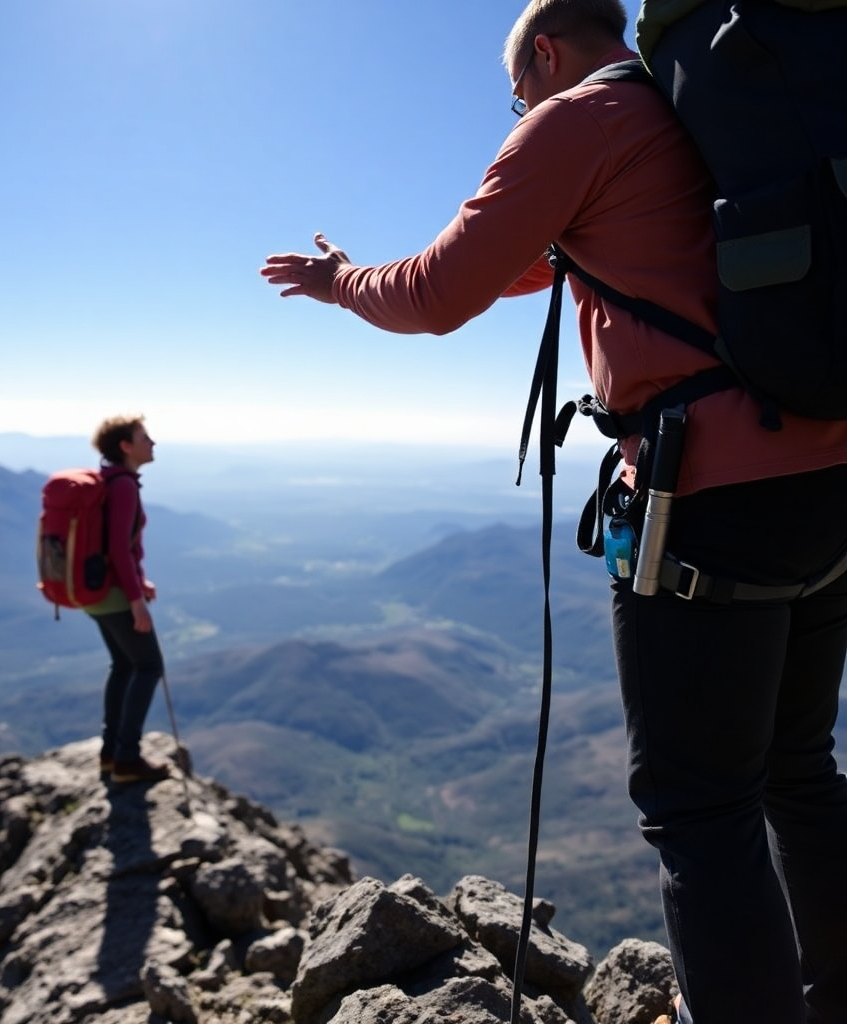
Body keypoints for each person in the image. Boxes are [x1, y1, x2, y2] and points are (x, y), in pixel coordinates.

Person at [260, 1, 847, 1021]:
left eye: (513, 91)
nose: (517, 108)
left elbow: (440, 293)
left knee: (700, 812)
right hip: (827, 472)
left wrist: (342, 281)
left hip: (705, 499)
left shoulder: (576, 119)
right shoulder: (696, 112)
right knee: (799, 771)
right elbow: (534, 260)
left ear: (540, 52)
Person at [85, 415, 170, 785]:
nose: (152, 443)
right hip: (116, 596)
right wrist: (135, 599)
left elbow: (114, 547)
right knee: (149, 666)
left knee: (123, 665)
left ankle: (111, 754)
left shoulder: (110, 482)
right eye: (144, 437)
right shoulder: (123, 488)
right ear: (126, 446)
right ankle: (127, 759)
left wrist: (139, 579)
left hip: (97, 593)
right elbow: (118, 548)